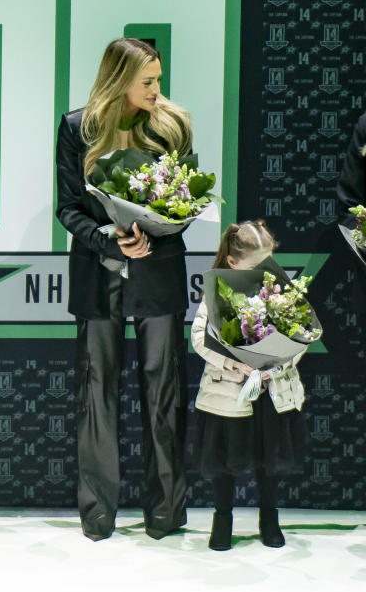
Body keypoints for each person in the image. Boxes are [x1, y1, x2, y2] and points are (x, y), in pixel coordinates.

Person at [55, 37, 193, 541]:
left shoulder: (172, 124)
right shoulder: (78, 127)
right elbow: (68, 207)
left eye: (159, 80)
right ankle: (97, 514)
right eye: (148, 82)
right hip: (99, 274)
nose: (157, 90)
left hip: (158, 273)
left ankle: (166, 512)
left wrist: (160, 225)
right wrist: (107, 239)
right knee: (96, 393)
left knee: (164, 391)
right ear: (120, 80)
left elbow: (184, 203)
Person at [191, 221, 307, 550]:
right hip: (229, 394)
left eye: (268, 262)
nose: (265, 270)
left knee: (270, 464)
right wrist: (233, 363)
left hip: (271, 394)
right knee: (224, 464)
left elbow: (301, 337)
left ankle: (269, 520)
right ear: (232, 262)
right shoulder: (216, 292)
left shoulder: (280, 288)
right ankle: (222, 521)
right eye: (257, 265)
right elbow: (199, 338)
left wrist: (278, 365)